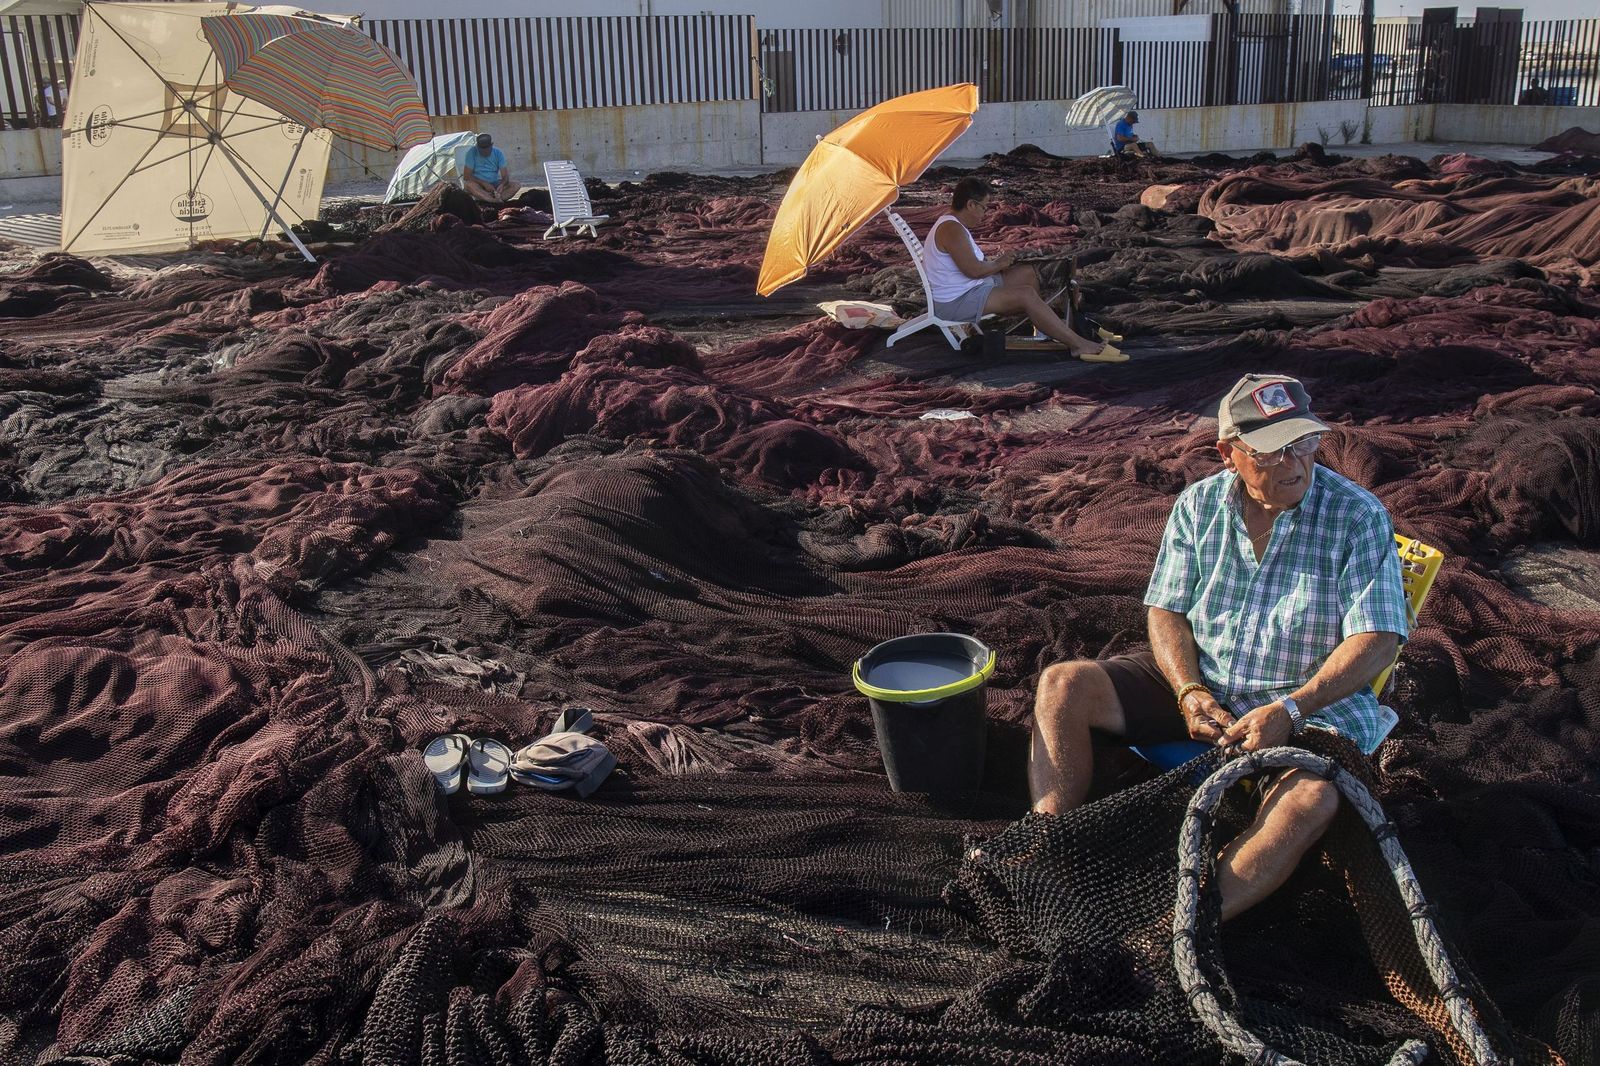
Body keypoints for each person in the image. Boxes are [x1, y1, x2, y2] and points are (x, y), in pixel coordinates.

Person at [1028, 373, 1409, 920]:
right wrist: (1188, 689)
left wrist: (1291, 708)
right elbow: (1166, 609)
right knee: (1064, 684)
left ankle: (1183, 925)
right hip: (1207, 677)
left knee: (1312, 800)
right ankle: (1045, 845)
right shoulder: (1199, 505)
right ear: (1228, 453)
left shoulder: (1358, 516)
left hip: (1305, 701)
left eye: (1304, 443)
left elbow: (1377, 639)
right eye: (1272, 451)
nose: (1295, 464)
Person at [926, 177, 1123, 362]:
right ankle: (1078, 344)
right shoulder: (952, 229)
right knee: (1026, 295)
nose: (985, 214)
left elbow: (972, 268)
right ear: (970, 204)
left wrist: (998, 264)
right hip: (957, 301)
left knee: (1030, 273)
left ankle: (1056, 326)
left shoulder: (953, 224)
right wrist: (999, 264)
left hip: (970, 288)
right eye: (984, 208)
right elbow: (974, 271)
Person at [463, 133, 518, 203]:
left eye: (487, 149)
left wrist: (502, 185)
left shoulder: (498, 153)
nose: (484, 152)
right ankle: (494, 201)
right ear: (477, 146)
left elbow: (505, 177)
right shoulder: (471, 153)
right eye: (482, 150)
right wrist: (483, 183)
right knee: (468, 185)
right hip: (478, 185)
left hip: (494, 185)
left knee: (516, 185)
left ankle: (490, 198)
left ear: (492, 145)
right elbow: (466, 176)